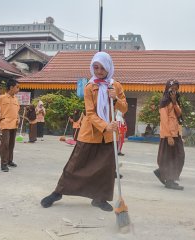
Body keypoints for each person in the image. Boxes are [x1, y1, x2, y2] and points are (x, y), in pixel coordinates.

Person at [40, 51, 128, 211]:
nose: (99, 71)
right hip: (90, 133)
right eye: (96, 67)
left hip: (109, 136)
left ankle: (99, 199)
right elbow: (90, 113)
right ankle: (58, 192)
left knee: (106, 168)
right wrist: (105, 125)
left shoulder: (116, 85)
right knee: (75, 165)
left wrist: (116, 98)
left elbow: (125, 108)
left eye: (102, 68)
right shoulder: (89, 86)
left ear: (109, 68)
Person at [153, 79, 185, 190]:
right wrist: (168, 136)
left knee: (179, 157)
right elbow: (164, 119)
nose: (174, 91)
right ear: (167, 89)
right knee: (170, 158)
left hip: (176, 133)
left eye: (176, 89)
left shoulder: (174, 101)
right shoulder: (164, 102)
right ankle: (169, 180)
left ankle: (162, 173)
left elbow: (179, 114)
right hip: (169, 135)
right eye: (172, 89)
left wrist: (175, 102)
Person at [0, 79, 20, 172]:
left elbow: (16, 111)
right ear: (11, 87)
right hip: (5, 123)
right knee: (5, 144)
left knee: (11, 144)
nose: (18, 89)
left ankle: (10, 161)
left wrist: (18, 118)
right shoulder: (2, 97)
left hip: (14, 124)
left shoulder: (16, 99)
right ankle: (4, 164)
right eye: (17, 87)